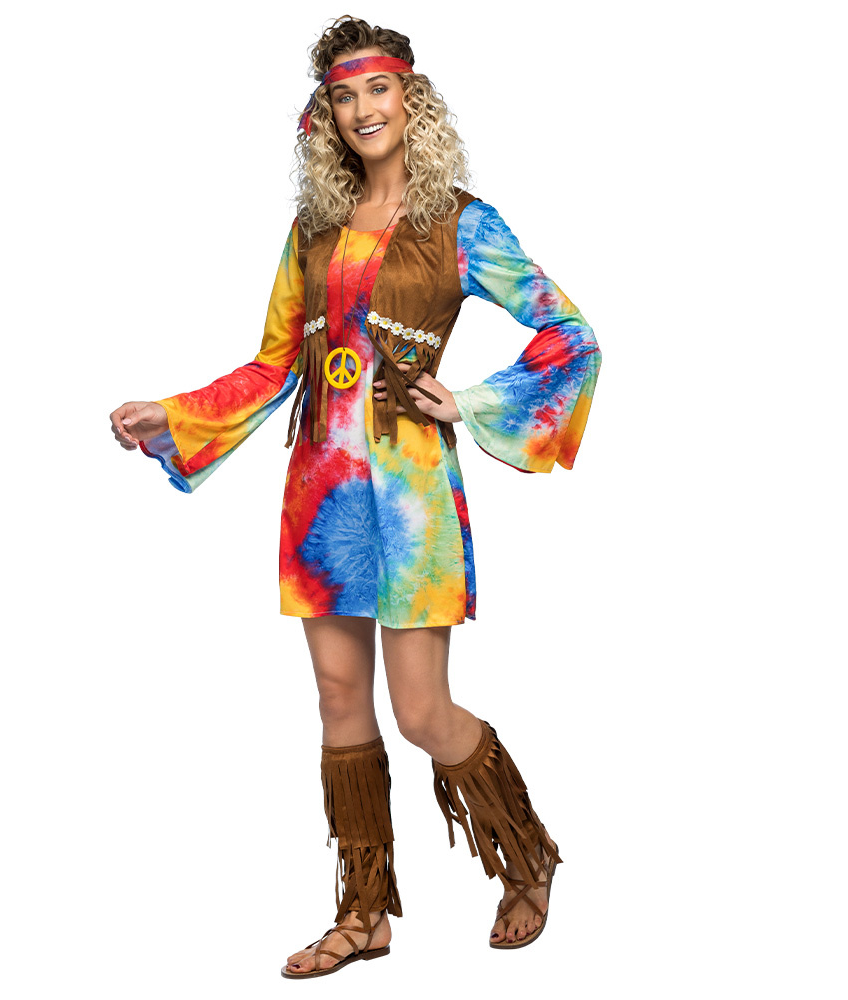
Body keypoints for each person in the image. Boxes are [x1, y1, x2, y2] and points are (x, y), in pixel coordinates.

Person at [109, 15, 601, 980]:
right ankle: (364, 911)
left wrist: (469, 401)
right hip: (322, 491)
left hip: (411, 493)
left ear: (410, 100)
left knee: (421, 712)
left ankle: (526, 853)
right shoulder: (314, 230)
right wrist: (175, 412)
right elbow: (273, 363)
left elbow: (569, 332)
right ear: (325, 114)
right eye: (343, 95)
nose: (363, 109)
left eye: (378, 90)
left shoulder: (462, 223)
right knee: (339, 700)